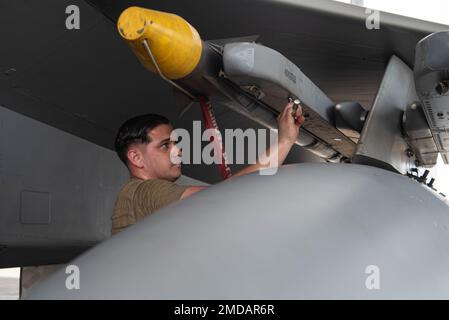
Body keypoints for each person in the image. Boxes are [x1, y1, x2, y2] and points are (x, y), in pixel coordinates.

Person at [111, 102, 305, 234]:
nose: (178, 151)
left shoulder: (136, 196)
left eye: (176, 143)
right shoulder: (146, 191)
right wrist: (285, 141)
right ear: (136, 157)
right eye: (165, 145)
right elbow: (223, 195)